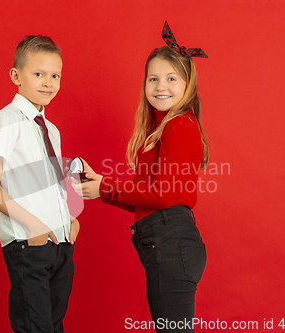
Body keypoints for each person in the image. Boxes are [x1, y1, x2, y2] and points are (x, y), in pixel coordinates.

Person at [70, 22, 208, 332]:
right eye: (153, 79)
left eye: (172, 79)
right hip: (166, 240)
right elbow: (150, 195)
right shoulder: (164, 128)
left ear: (188, 86)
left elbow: (161, 197)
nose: (161, 86)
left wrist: (107, 187)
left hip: (171, 241)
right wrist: (101, 188)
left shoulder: (178, 126)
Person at [0, 35, 79, 333]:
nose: (48, 82)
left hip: (60, 243)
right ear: (16, 76)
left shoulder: (51, 129)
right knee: (36, 328)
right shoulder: (8, 121)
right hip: (29, 242)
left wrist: (69, 221)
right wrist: (33, 226)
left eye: (55, 75)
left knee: (54, 325)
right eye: (38, 74)